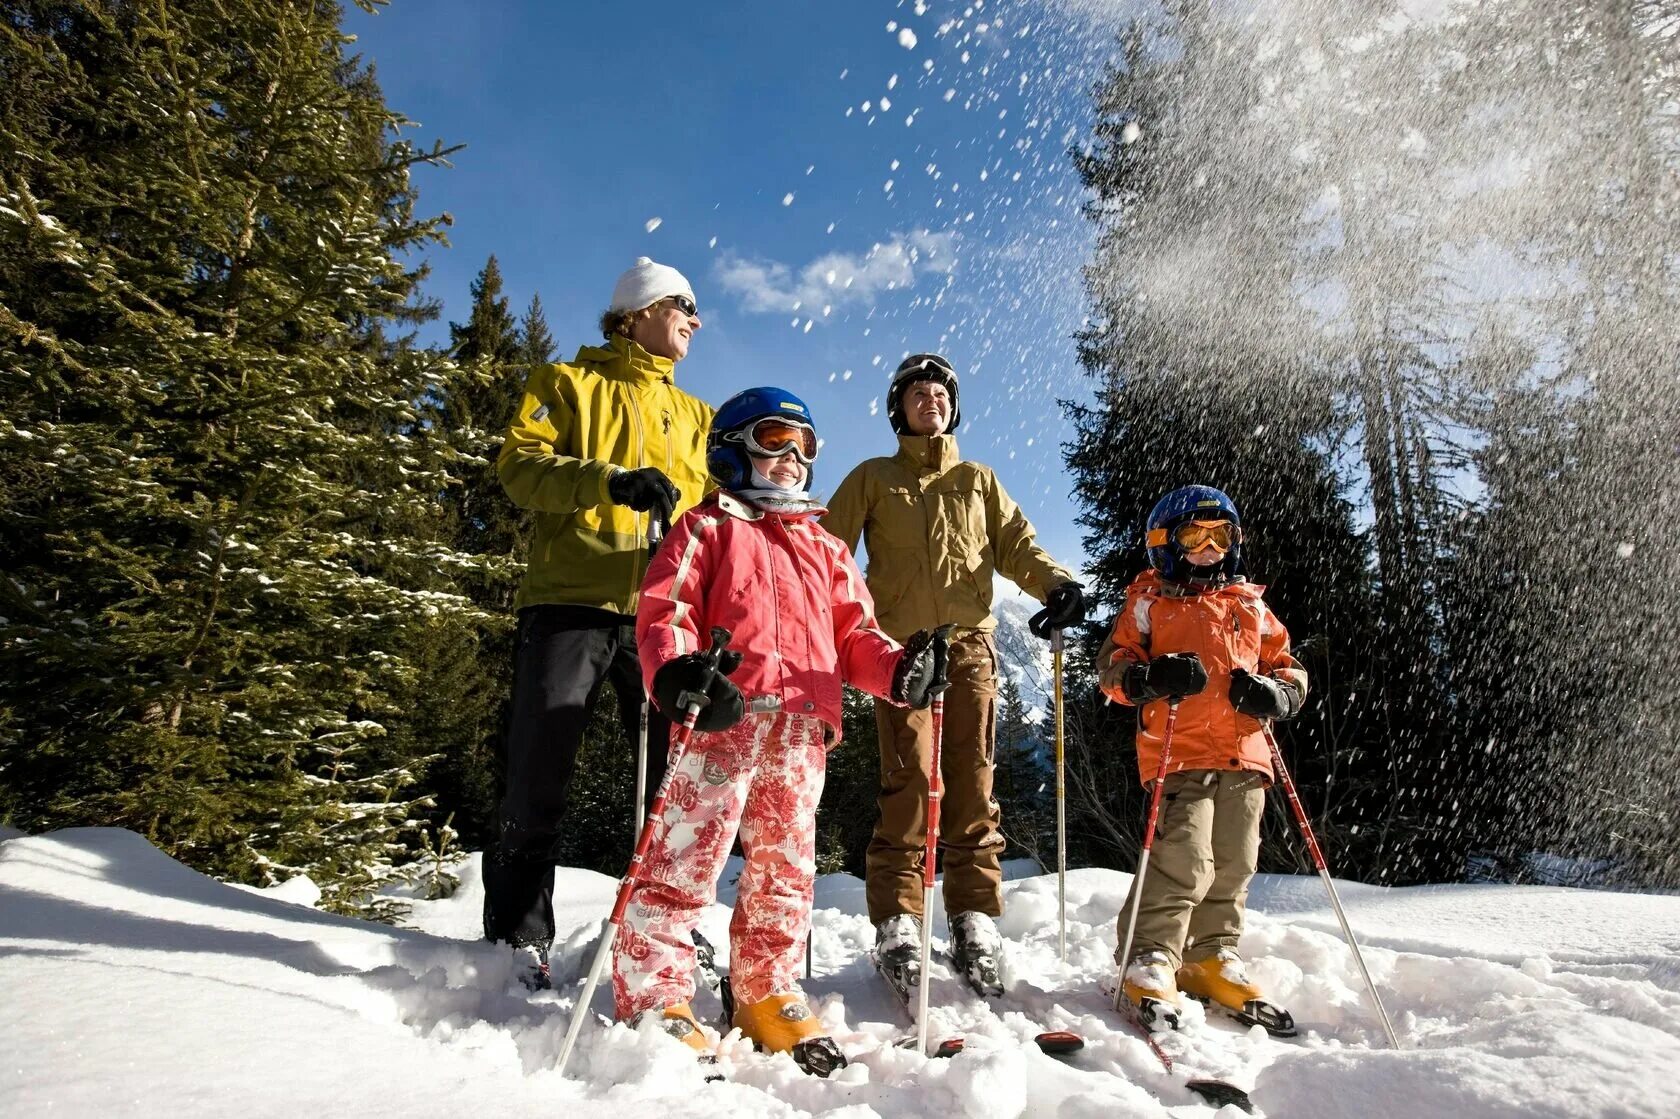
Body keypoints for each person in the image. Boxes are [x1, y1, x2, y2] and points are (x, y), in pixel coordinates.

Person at [612, 387, 949, 1076]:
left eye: (806, 446)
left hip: (800, 728)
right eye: (775, 438)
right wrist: (676, 672)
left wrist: (899, 671)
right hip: (721, 716)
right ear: (732, 448)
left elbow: (855, 634)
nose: (793, 457)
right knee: (684, 858)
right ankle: (656, 989)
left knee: (786, 869)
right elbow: (666, 608)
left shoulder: (823, 547)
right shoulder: (706, 527)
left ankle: (766, 985)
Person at [822, 353, 1086, 996]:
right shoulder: (872, 478)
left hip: (971, 647)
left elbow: (1018, 544)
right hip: (901, 652)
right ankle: (899, 921)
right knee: (908, 779)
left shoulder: (977, 480)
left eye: (940, 393)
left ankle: (973, 916)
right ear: (898, 410)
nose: (930, 400)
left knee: (972, 780)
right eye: (917, 393)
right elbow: (828, 551)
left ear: (954, 406)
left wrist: (1054, 584)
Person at [484, 257, 713, 981]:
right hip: (569, 604)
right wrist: (607, 480)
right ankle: (519, 935)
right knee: (538, 773)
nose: (695, 320)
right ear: (636, 311)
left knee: (672, 786)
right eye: (682, 303)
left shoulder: (699, 416)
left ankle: (663, 928)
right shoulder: (567, 385)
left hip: (662, 618)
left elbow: (721, 514)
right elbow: (518, 468)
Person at [1096, 485, 1308, 1032]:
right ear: (1166, 543)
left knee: (1235, 862)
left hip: (1245, 753)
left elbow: (1287, 666)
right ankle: (1150, 957)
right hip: (1180, 751)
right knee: (1184, 861)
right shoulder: (1149, 602)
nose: (1210, 547)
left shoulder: (1250, 604)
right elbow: (1114, 668)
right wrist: (1148, 677)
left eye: (1222, 535)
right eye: (1195, 535)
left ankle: (1211, 955)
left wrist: (1277, 692)